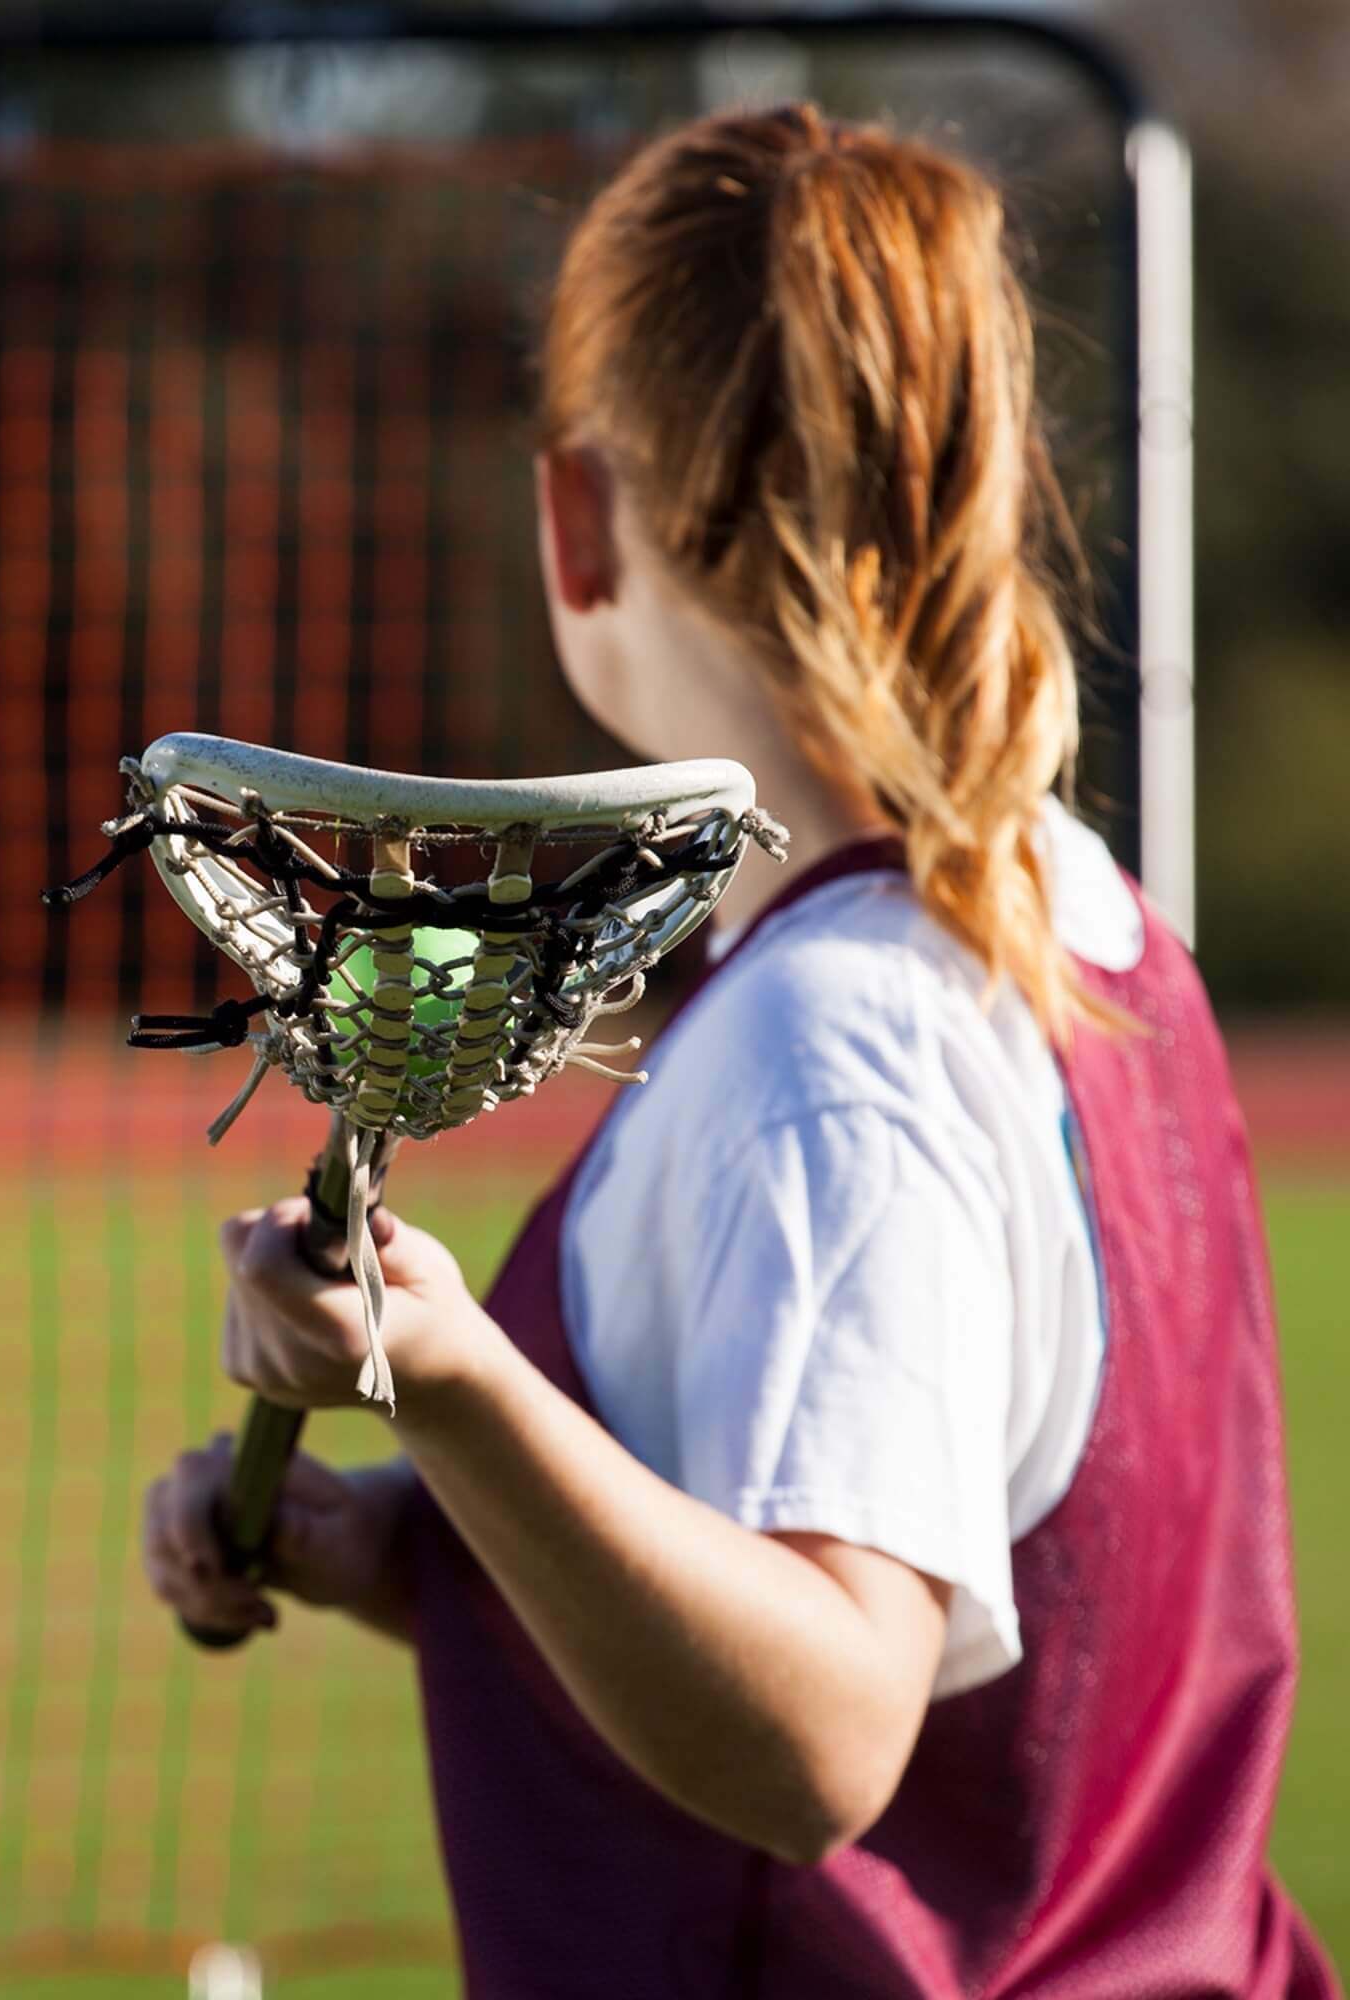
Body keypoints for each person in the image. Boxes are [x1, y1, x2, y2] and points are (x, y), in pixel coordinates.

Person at [140, 104, 1338, 1996]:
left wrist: (447, 1383)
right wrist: (417, 1553)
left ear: (574, 518)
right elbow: (956, 1600)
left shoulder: (835, 1038)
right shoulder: (1084, 921)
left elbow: (825, 1737)